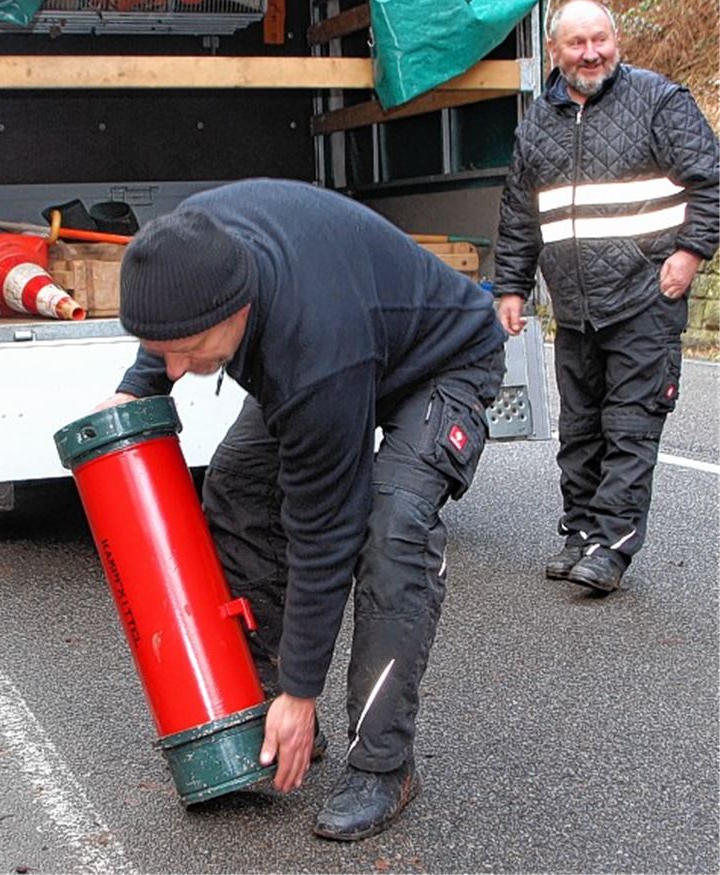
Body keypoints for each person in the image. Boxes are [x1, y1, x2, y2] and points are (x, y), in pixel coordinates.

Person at [103, 177, 506, 841]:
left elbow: (325, 533)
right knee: (238, 486)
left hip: (443, 357)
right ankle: (270, 712)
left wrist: (304, 686)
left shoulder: (312, 354)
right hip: (349, 332)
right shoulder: (193, 246)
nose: (172, 369)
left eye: (183, 352)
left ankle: (382, 764)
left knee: (392, 530)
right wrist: (133, 387)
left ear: (233, 311)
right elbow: (169, 327)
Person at [494, 0, 718, 594]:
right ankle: (580, 535)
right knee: (581, 431)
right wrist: (512, 287)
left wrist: (690, 252)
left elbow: (709, 179)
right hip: (575, 311)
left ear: (615, 40)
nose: (591, 53)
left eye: (600, 40)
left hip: (645, 297)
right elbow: (519, 215)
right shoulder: (538, 123)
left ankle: (611, 548)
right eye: (577, 43)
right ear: (555, 51)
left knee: (630, 428)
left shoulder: (659, 102)